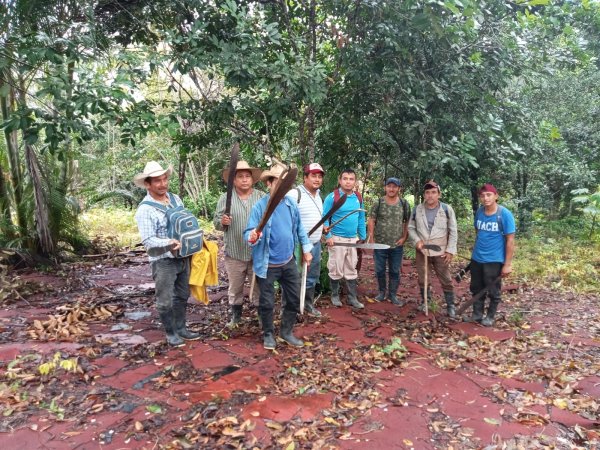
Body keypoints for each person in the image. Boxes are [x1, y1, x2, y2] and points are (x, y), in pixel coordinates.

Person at [244, 164, 313, 350]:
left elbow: (299, 229)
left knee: (293, 297)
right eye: (277, 182)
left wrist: (306, 249)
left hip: (288, 261)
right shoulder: (260, 207)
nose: (282, 186)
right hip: (267, 264)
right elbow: (249, 233)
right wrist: (252, 236)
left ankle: (286, 331)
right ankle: (268, 334)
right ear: (269, 183)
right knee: (266, 302)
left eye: (285, 183)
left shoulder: (291, 205)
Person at [134, 161, 200, 346]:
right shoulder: (145, 210)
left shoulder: (175, 198)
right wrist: (169, 243)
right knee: (164, 299)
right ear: (148, 184)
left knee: (182, 294)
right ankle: (171, 333)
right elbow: (148, 241)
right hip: (163, 260)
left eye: (164, 179)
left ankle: (181, 328)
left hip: (183, 256)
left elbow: (183, 222)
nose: (163, 184)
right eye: (157, 181)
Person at [213, 161, 264, 327]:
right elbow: (216, 223)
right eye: (240, 176)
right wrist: (223, 221)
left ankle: (261, 315)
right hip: (234, 251)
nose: (244, 180)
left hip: (257, 251)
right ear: (233, 180)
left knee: (258, 286)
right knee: (235, 287)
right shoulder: (225, 198)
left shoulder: (261, 197)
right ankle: (236, 317)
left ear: (252, 179)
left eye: (247, 176)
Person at [467, 183, 516, 326]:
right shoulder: (480, 212)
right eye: (482, 196)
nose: (485, 198)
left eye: (488, 195)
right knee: (476, 288)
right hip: (477, 258)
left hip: (494, 260)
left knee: (493, 289)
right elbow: (478, 232)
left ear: (496, 196)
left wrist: (507, 264)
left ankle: (490, 316)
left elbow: (510, 241)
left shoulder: (504, 214)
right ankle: (476, 315)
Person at [408, 180, 458, 317]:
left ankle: (450, 305)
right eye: (427, 193)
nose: (430, 195)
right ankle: (426, 301)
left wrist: (450, 250)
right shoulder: (417, 209)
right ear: (424, 195)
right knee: (423, 278)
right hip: (422, 250)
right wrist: (417, 241)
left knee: (446, 279)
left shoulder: (447, 209)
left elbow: (453, 231)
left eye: (433, 192)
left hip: (440, 250)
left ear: (439, 194)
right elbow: (411, 228)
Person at [323, 168, 367, 309]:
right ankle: (335, 295)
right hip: (336, 239)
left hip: (352, 240)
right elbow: (324, 219)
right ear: (340, 180)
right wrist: (328, 236)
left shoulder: (358, 198)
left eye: (351, 179)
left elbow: (361, 217)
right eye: (345, 178)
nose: (348, 182)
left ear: (355, 181)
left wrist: (363, 236)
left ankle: (352, 297)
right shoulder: (332, 197)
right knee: (335, 267)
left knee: (351, 267)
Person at [286, 163, 326, 316]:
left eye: (319, 176)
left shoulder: (318, 196)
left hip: (315, 244)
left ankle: (307, 304)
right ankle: (292, 309)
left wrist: (323, 230)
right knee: (294, 277)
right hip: (297, 244)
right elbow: (287, 219)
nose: (317, 179)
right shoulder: (294, 194)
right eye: (313, 176)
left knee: (312, 277)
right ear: (305, 178)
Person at [367, 177, 411, 305]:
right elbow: (372, 219)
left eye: (394, 186)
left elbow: (407, 221)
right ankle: (381, 292)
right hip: (380, 244)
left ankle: (393, 295)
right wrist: (372, 237)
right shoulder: (378, 202)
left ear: (399, 188)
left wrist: (404, 237)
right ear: (385, 187)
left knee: (395, 270)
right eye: (389, 186)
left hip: (397, 245)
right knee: (380, 269)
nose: (391, 189)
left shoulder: (404, 203)